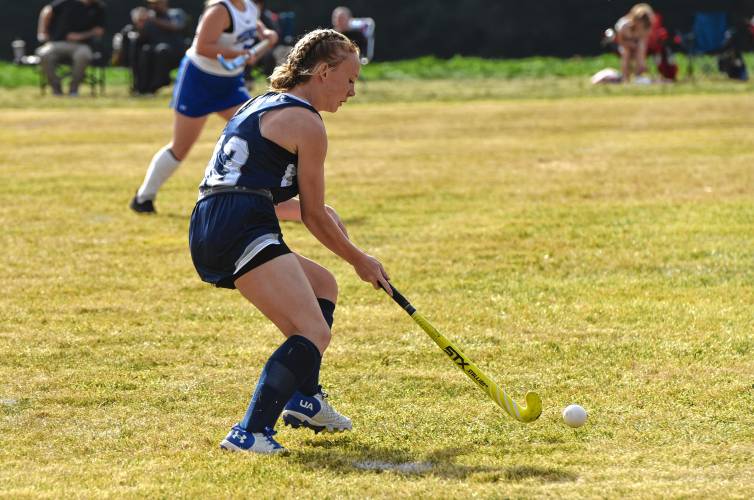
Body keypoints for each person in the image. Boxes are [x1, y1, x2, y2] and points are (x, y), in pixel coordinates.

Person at [188, 28, 391, 453]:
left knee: (322, 287)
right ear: (321, 72)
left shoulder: (261, 103)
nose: (353, 91)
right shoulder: (307, 122)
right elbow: (314, 215)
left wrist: (310, 214)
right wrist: (360, 259)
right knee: (313, 330)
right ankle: (251, 432)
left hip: (215, 219)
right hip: (239, 225)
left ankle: (304, 400)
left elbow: (250, 185)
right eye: (349, 79)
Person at [130, 0, 278, 214]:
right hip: (199, 81)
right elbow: (203, 47)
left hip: (229, 83)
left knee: (256, 133)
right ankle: (144, 198)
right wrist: (240, 54)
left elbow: (250, 24)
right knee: (180, 147)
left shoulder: (250, 6)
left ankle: (267, 197)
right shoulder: (219, 9)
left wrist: (265, 34)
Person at [35, 0, 106, 96]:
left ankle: (74, 89)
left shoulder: (98, 8)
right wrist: (42, 32)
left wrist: (80, 36)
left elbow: (99, 31)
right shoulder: (65, 2)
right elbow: (47, 11)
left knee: (83, 55)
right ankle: (56, 89)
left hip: (82, 46)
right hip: (57, 43)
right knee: (43, 54)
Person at [129, 0, 188, 95]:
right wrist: (140, 23)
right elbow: (142, 37)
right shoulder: (149, 17)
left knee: (162, 50)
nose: (154, 5)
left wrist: (153, 20)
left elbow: (176, 26)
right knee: (145, 50)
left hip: (174, 51)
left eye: (157, 3)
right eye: (152, 3)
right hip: (153, 52)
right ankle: (142, 88)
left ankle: (156, 86)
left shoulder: (176, 13)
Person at [614, 3, 655, 83]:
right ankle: (625, 78)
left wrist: (640, 59)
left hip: (637, 47)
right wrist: (631, 45)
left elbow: (643, 42)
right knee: (626, 53)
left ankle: (638, 76)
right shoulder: (624, 25)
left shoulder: (647, 28)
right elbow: (620, 41)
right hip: (624, 46)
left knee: (640, 47)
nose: (640, 24)